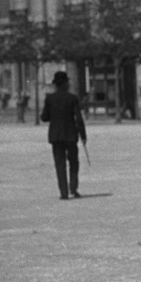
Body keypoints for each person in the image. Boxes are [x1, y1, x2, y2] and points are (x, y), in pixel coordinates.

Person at [40, 71, 87, 200]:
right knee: (73, 162)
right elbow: (78, 118)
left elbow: (44, 117)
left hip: (55, 136)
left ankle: (64, 192)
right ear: (66, 84)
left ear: (55, 85)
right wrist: (83, 135)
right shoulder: (72, 98)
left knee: (59, 164)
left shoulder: (49, 98)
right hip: (70, 135)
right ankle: (73, 188)